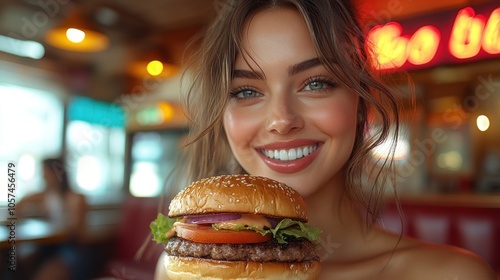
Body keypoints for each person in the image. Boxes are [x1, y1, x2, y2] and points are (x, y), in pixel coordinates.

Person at [155, 0, 496, 279]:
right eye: (246, 91)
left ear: (360, 104)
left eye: (315, 83)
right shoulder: (180, 272)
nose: (281, 120)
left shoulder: (454, 275)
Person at [17, 158, 88, 280]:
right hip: (49, 246)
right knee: (20, 261)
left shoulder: (76, 198)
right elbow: (19, 205)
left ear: (57, 173)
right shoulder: (46, 196)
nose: (43, 177)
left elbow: (76, 233)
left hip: (70, 248)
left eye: (45, 173)